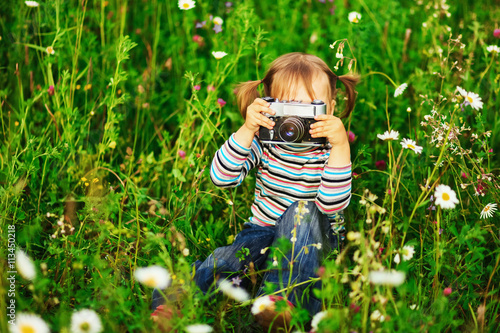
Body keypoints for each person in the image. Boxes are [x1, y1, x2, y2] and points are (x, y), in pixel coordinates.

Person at [152, 52, 359, 331]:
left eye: (310, 110)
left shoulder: (330, 150)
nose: (295, 123)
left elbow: (333, 206)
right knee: (227, 259)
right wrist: (248, 129)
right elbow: (221, 178)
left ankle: (283, 306)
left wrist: (341, 146)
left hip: (313, 240)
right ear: (269, 107)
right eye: (288, 110)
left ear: (330, 110)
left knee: (302, 211)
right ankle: (177, 299)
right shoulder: (266, 142)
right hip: (262, 231)